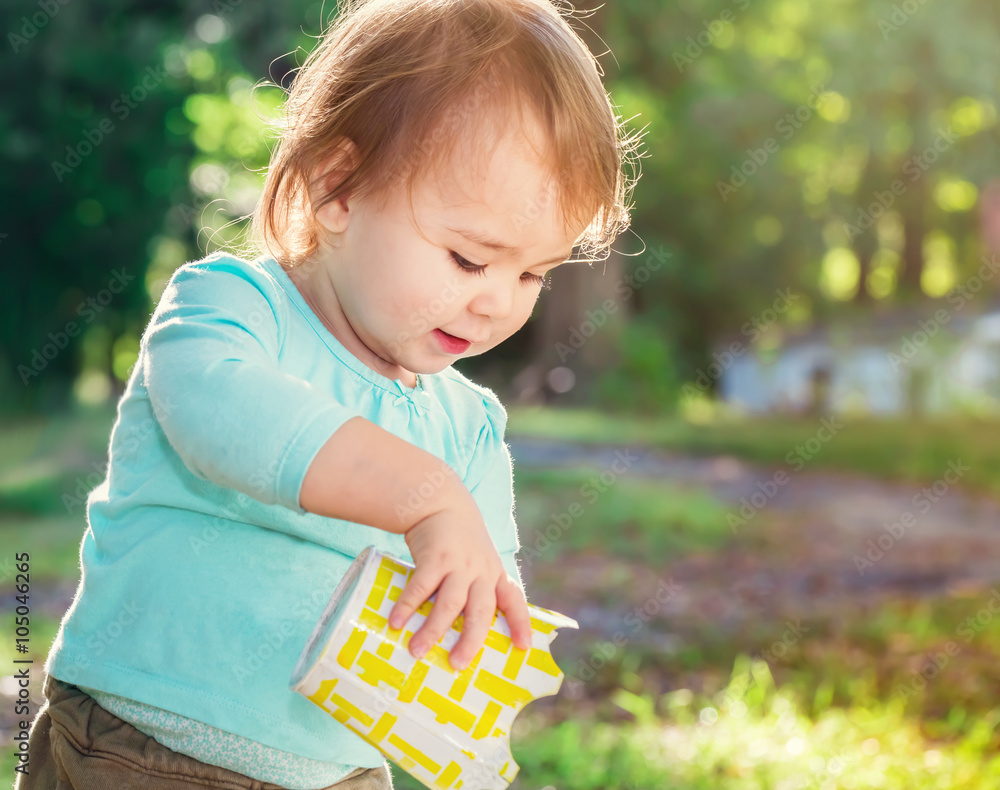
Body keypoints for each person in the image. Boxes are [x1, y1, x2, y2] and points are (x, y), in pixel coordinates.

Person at [18, 0, 636, 787]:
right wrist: (423, 496)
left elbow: (475, 598)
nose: (499, 303)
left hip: (338, 772)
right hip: (142, 748)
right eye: (471, 260)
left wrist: (483, 670)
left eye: (533, 274)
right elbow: (225, 417)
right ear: (338, 187)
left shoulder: (469, 426)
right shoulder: (231, 311)